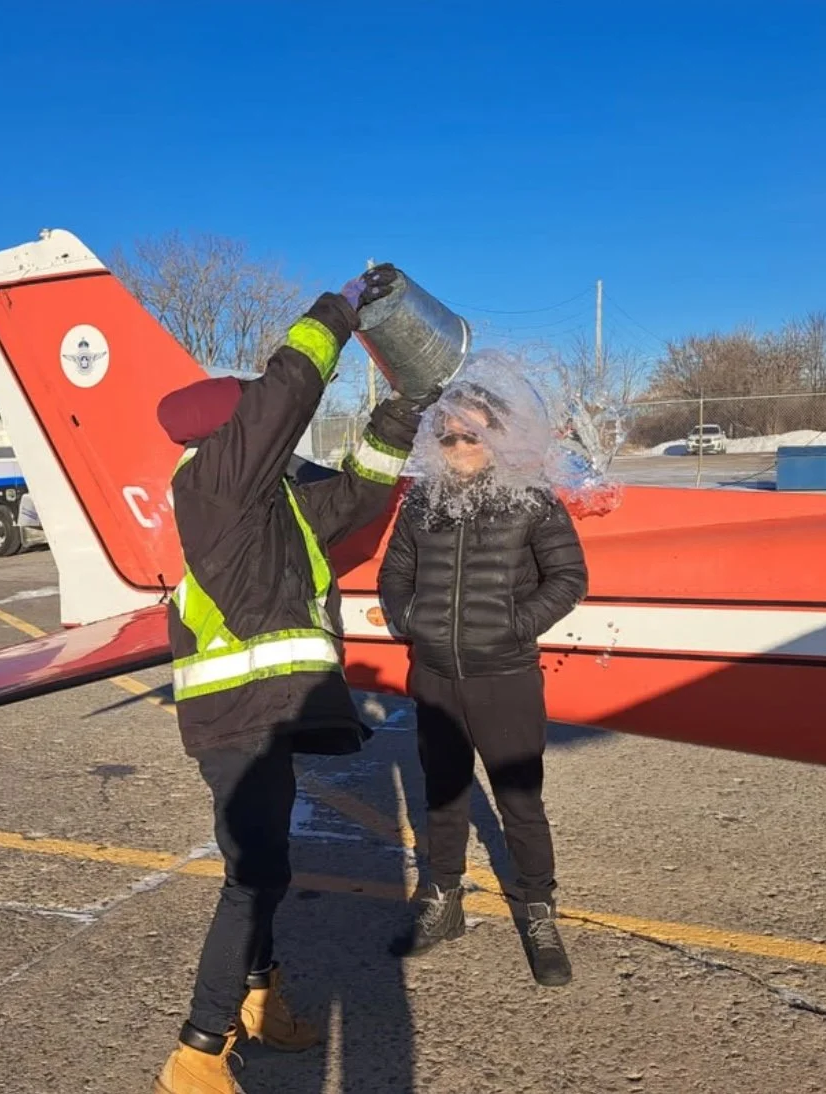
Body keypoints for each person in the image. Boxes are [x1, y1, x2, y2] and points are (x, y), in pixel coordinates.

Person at [151, 265, 431, 1094]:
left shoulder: (274, 510)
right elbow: (284, 395)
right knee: (254, 875)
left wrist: (405, 408)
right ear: (235, 436)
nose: (278, 439)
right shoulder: (216, 487)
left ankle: (262, 1005)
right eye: (260, 427)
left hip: (262, 716)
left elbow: (361, 492)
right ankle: (195, 1053)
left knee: (265, 864)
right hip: (234, 719)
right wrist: (338, 314)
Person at [376, 374, 588, 987]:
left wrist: (518, 624)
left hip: (505, 676)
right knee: (443, 795)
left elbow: (569, 577)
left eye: (470, 434)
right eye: (446, 436)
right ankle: (443, 901)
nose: (458, 445)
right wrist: (412, 622)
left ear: (495, 435)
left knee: (519, 802)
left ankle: (539, 911)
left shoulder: (530, 498)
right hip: (437, 674)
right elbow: (396, 575)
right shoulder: (422, 501)